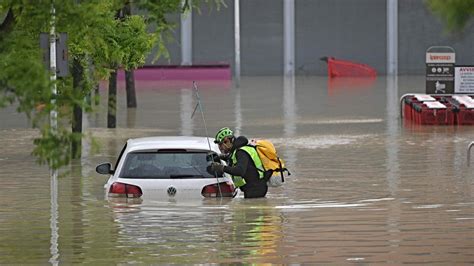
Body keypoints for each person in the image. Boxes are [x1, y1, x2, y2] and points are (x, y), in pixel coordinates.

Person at [208, 127, 268, 198]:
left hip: (255, 189)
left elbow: (239, 171)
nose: (220, 148)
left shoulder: (241, 152)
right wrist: (220, 157)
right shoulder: (237, 150)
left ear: (228, 141)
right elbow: (233, 160)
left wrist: (221, 168)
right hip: (253, 188)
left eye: (221, 145)